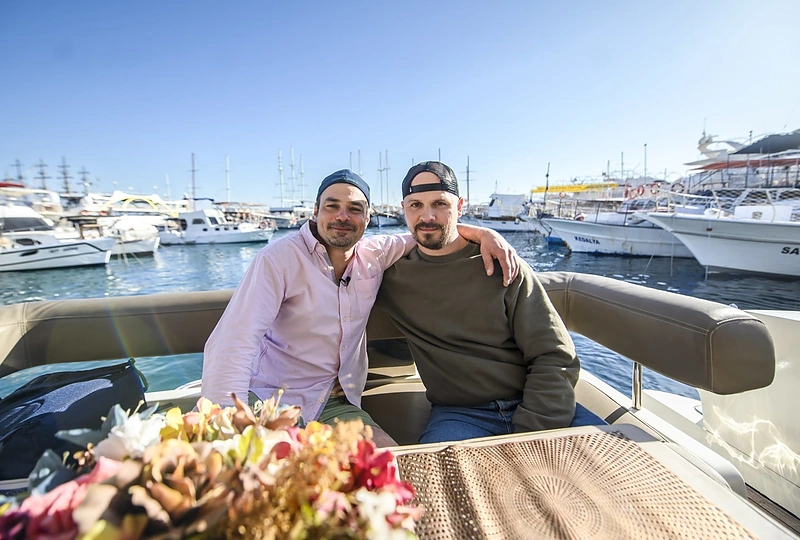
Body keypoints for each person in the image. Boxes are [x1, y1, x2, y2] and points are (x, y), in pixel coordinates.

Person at [202, 169, 519, 446]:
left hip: (335, 405)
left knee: (391, 467)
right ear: (315, 211)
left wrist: (485, 233)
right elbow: (234, 341)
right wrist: (229, 424)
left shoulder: (374, 254)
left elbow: (426, 232)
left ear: (368, 219)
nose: (343, 216)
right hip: (270, 399)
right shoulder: (278, 259)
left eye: (355, 209)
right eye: (332, 206)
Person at [375, 161, 600, 444]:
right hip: (460, 415)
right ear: (403, 209)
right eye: (416, 205)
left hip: (535, 401)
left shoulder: (502, 263)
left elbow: (554, 354)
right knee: (436, 473)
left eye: (440, 204)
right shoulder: (391, 275)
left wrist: (531, 431)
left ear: (460, 206)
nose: (427, 216)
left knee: (624, 464)